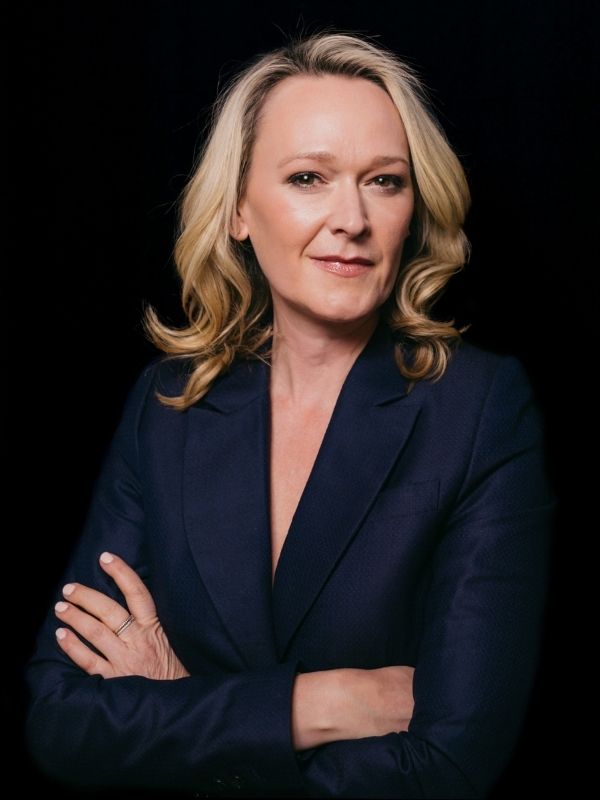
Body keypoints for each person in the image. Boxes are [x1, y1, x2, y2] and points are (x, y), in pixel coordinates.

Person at [25, 31, 554, 798]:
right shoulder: (170, 404)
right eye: (309, 177)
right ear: (239, 208)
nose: (352, 217)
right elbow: (62, 718)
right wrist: (324, 703)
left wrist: (178, 705)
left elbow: (450, 766)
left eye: (384, 181)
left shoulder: (480, 410)